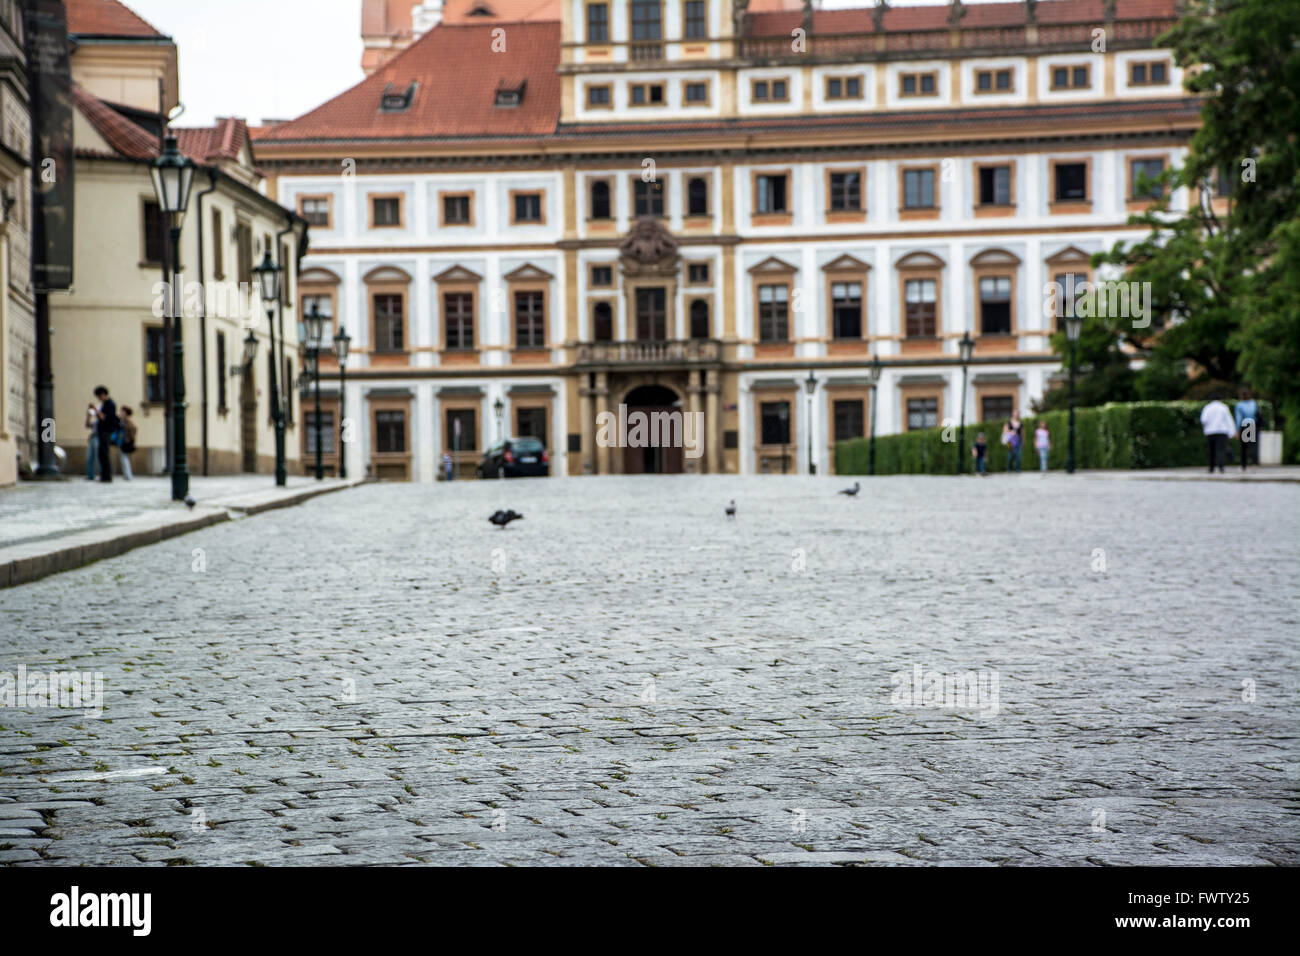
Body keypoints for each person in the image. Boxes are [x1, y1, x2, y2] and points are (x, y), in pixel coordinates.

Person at [1200, 392, 1236, 474]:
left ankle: (1211, 467)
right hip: (1221, 431)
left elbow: (1203, 420)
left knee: (1211, 451)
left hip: (1210, 432)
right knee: (1220, 450)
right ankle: (1221, 467)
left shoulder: (1207, 408)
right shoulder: (1223, 407)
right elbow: (1229, 420)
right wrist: (1231, 432)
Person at [90, 386, 117, 483]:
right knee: (102, 454)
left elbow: (105, 418)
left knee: (104, 453)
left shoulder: (110, 404)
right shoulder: (105, 404)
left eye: (98, 396)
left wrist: (95, 409)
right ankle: (104, 475)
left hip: (106, 431)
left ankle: (107, 476)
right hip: (102, 431)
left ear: (102, 394)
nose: (98, 398)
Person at [1234, 388, 1259, 471]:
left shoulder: (1240, 405)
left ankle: (1243, 465)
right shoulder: (1253, 403)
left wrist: (1237, 430)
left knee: (1244, 447)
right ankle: (1254, 464)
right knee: (1253, 446)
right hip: (1253, 424)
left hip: (1245, 425)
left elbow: (1239, 418)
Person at [116, 406, 137, 480]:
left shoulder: (128, 421)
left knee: (124, 458)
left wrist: (130, 439)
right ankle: (127, 475)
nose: (121, 413)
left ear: (126, 412)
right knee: (124, 458)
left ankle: (128, 475)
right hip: (122, 441)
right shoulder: (123, 421)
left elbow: (133, 429)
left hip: (126, 442)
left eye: (122, 411)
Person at [84, 398, 100, 480]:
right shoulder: (95, 420)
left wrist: (95, 409)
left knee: (99, 457)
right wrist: (88, 416)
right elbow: (87, 425)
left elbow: (101, 417)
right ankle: (90, 475)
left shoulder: (100, 417)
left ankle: (102, 474)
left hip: (99, 437)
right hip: (93, 437)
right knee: (89, 457)